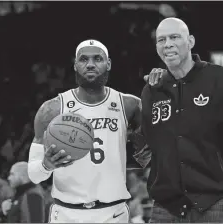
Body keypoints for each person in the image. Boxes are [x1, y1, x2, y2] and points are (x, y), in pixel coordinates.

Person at [139, 17, 223, 222]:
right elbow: (146, 147)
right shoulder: (152, 90)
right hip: (166, 207)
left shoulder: (222, 79)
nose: (168, 44)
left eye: (174, 37)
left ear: (190, 41)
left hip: (214, 204)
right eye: (161, 40)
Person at [27, 39, 146, 223]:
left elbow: (151, 154)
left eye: (97, 58)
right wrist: (46, 165)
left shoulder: (130, 106)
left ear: (109, 64)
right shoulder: (52, 110)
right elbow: (33, 175)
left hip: (113, 213)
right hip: (66, 214)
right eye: (83, 59)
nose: (90, 64)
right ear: (75, 65)